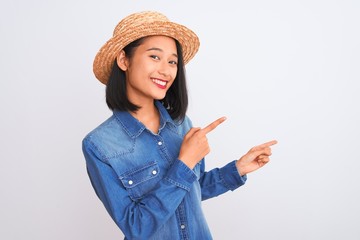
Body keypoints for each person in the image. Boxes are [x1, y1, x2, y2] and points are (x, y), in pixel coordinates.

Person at [82, 11, 277, 240]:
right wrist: (184, 163)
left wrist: (238, 169)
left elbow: (192, 190)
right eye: (155, 57)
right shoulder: (99, 145)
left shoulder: (182, 124)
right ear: (124, 60)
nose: (166, 70)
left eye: (172, 61)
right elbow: (136, 227)